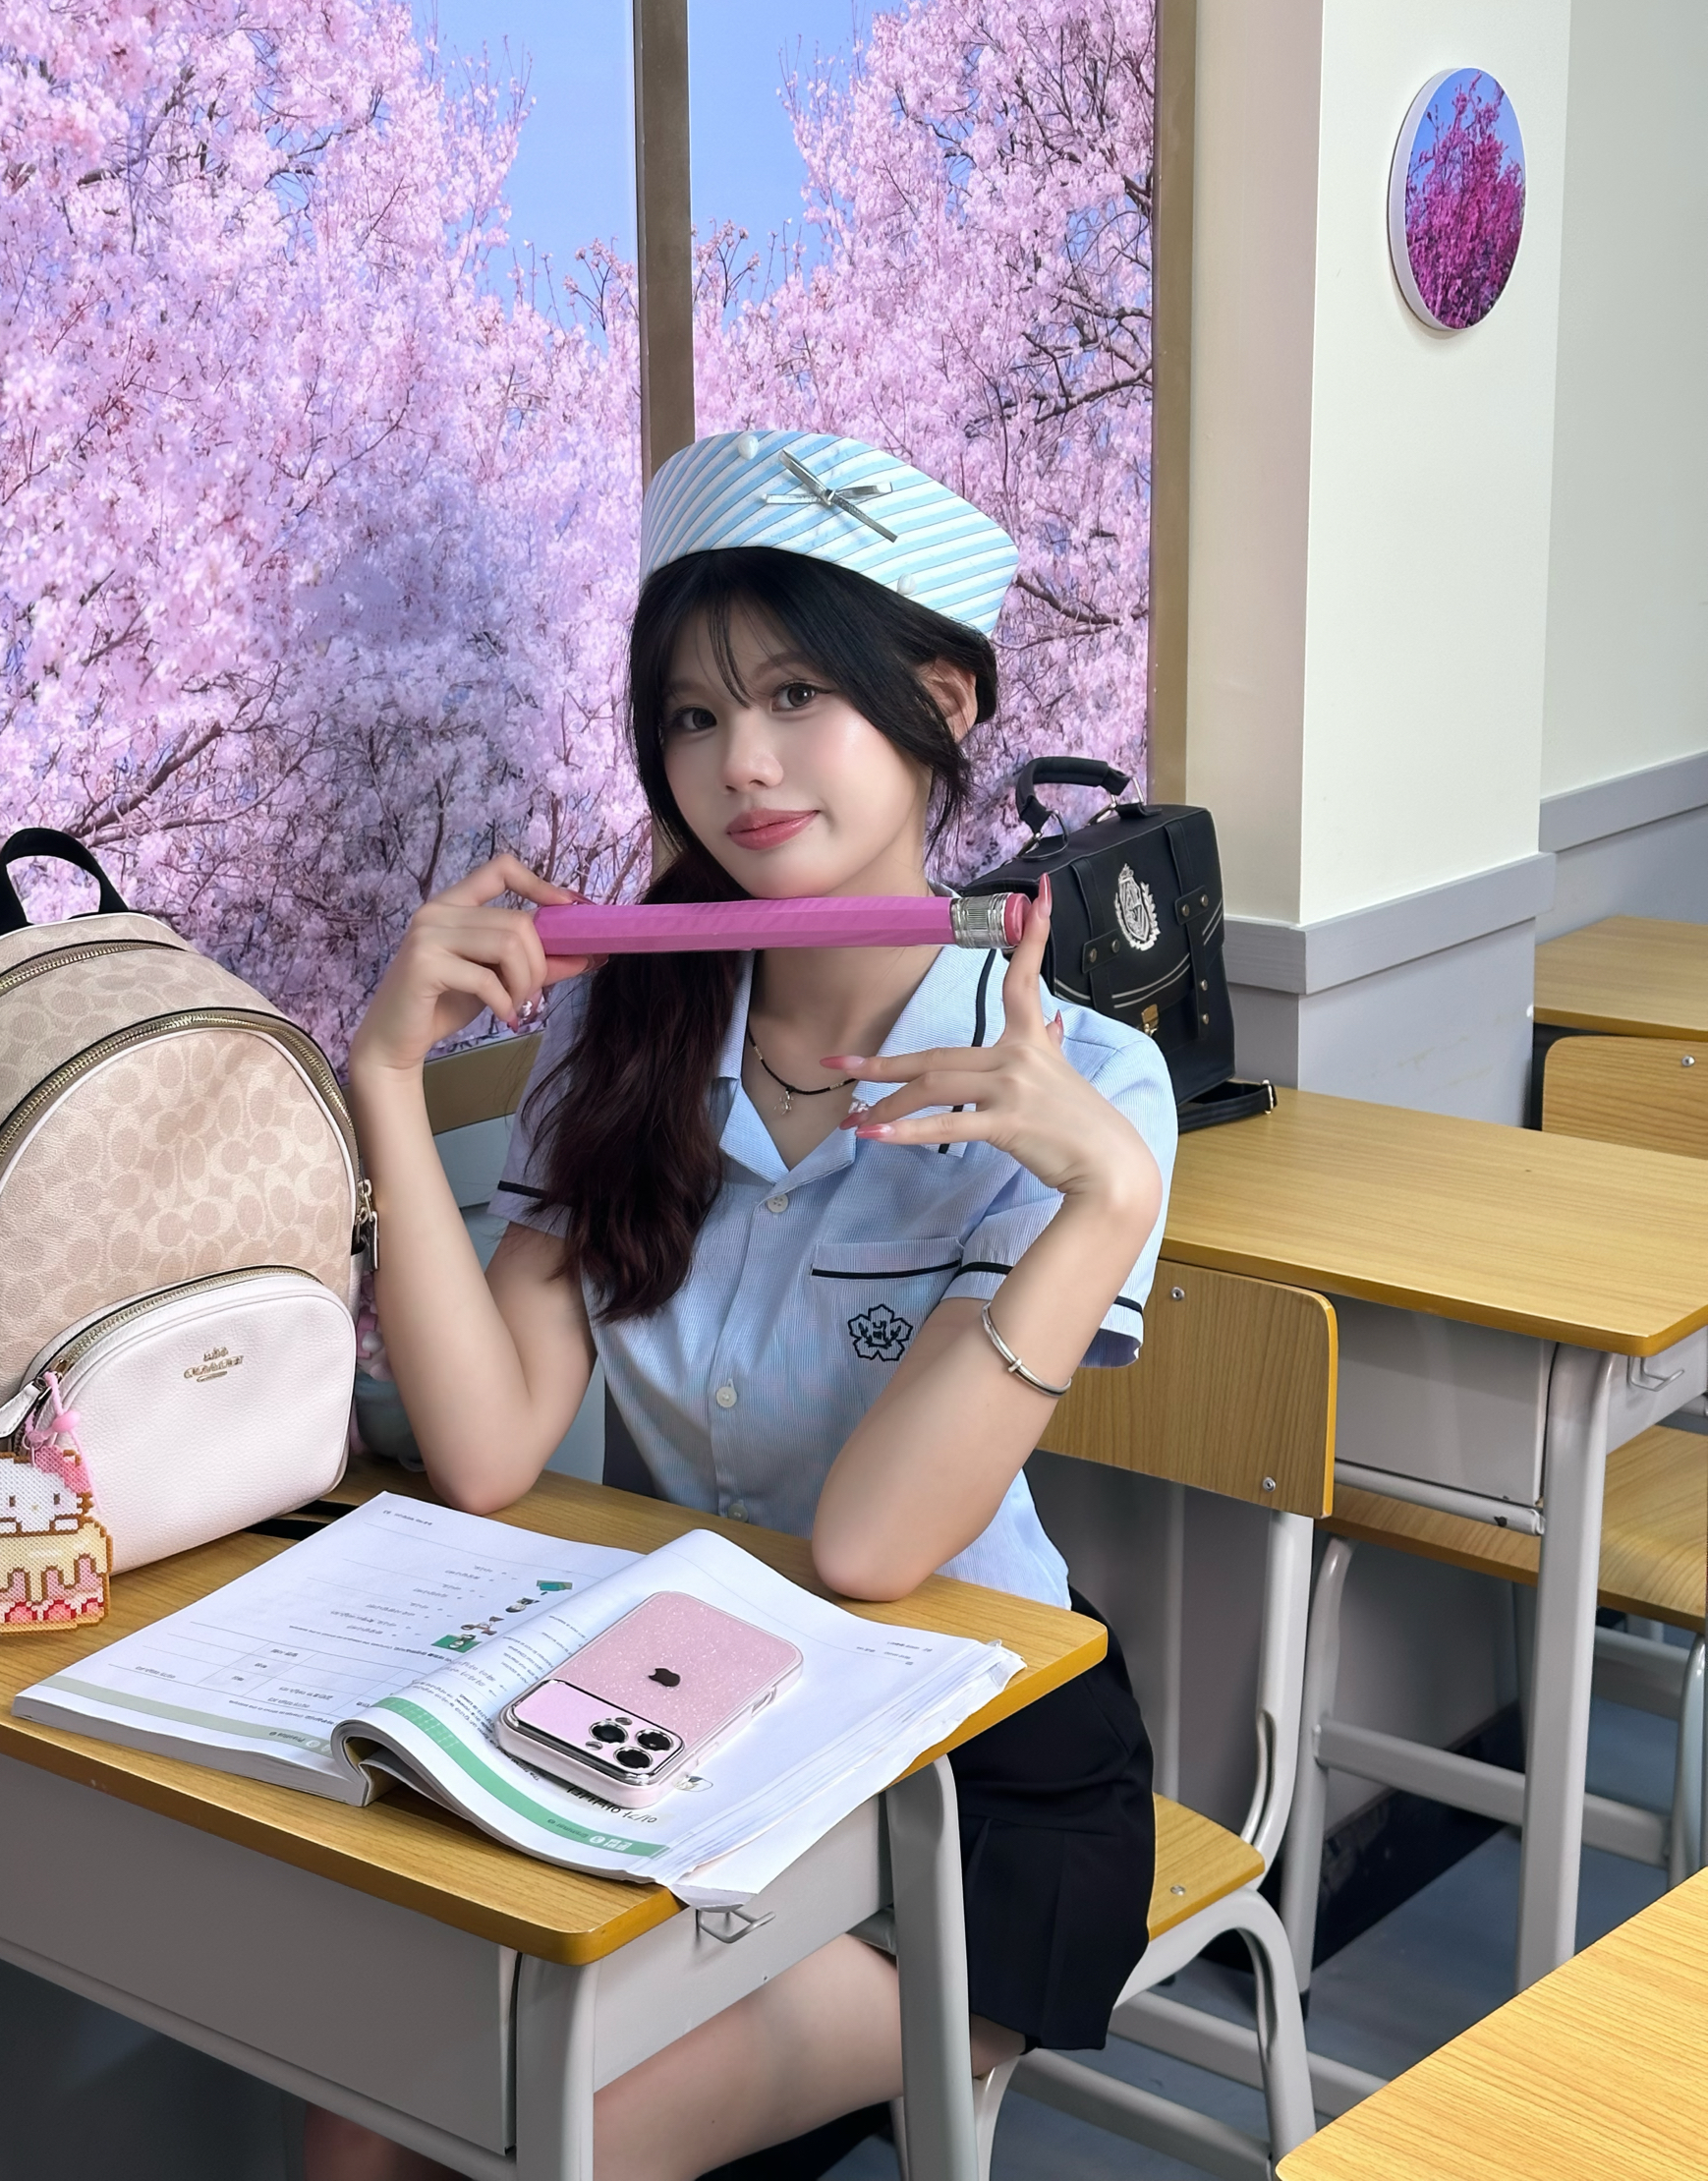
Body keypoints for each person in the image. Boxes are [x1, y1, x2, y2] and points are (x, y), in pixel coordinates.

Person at [314, 431, 1175, 2181]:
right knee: (363, 2117)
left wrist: (1109, 1204)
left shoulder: (1085, 1086)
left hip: (965, 1781)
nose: (741, 764)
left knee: (542, 2142)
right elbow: (486, 1452)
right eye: (693, 717)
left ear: (938, 701)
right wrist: (386, 1080)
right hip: (687, 1717)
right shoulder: (618, 1031)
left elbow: (869, 1550)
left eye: (796, 695)